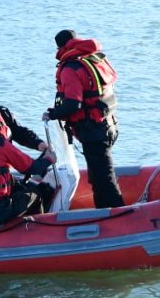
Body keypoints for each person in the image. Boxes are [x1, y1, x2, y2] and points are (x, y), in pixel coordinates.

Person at [44, 29, 126, 208]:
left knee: (103, 178)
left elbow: (73, 104)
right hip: (108, 124)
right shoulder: (95, 58)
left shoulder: (71, 68)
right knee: (100, 174)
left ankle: (116, 215)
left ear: (60, 47)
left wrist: (52, 114)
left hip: (92, 130)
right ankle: (105, 212)